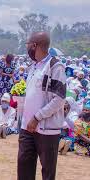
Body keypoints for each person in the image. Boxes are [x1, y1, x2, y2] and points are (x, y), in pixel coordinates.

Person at [18, 32, 66, 180]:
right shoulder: (33, 66)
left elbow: (59, 99)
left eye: (27, 45)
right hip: (27, 127)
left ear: (34, 45)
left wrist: (37, 117)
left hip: (46, 129)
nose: (27, 48)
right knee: (24, 165)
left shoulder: (54, 66)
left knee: (47, 171)